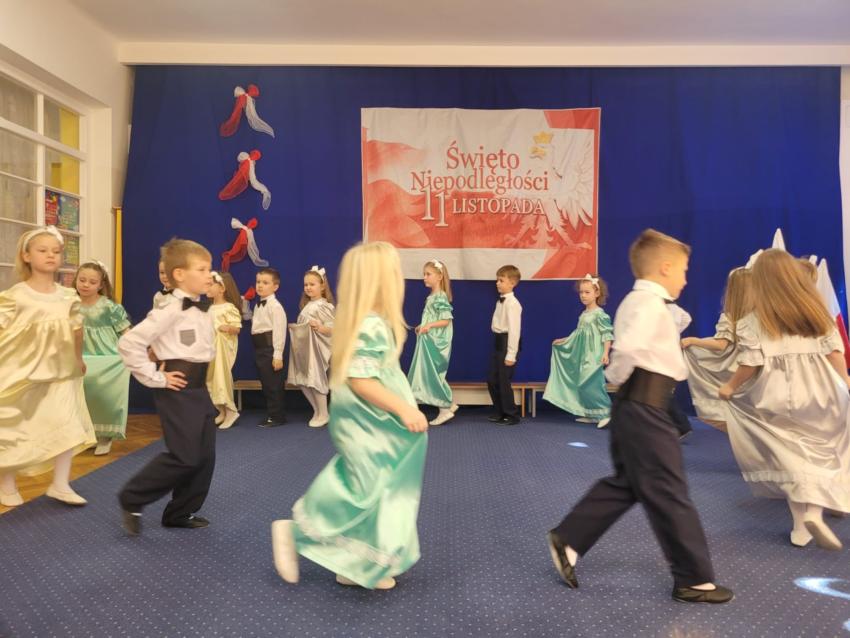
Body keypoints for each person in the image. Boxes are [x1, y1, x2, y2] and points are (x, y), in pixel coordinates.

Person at [546, 229, 733, 604]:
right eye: (683, 270)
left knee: (630, 483)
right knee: (669, 490)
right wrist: (618, 380)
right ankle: (693, 578)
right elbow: (628, 350)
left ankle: (569, 539)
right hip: (645, 407)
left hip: (640, 407)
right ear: (665, 267)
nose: (685, 279)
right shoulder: (646, 304)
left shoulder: (646, 302)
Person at [271, 242, 429, 591]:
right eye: (394, 273)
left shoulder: (369, 320)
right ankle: (294, 531)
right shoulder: (369, 324)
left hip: (376, 421)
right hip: (369, 421)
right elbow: (361, 380)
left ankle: (357, 562)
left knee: (377, 486)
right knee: (364, 487)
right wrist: (403, 407)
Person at [718, 249, 850, 549]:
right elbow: (835, 352)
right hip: (821, 393)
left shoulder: (753, 321)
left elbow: (750, 363)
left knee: (792, 457)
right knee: (826, 449)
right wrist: (843, 381)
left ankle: (801, 526)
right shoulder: (817, 314)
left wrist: (730, 386)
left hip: (776, 395)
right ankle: (815, 511)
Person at [117, 238, 217, 534]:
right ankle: (131, 497)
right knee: (185, 456)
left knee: (204, 457)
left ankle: (180, 512)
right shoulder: (169, 309)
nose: (209, 275)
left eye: (209, 268)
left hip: (198, 388)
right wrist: (157, 377)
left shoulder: (202, 308)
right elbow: (129, 343)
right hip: (176, 389)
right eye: (202, 269)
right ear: (180, 275)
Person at [0, 226, 95, 507]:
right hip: (21, 373)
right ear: (27, 255)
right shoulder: (15, 296)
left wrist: (78, 358)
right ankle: (7, 483)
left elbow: (77, 330)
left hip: (61, 372)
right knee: (14, 426)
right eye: (43, 250)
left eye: (56, 251)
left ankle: (60, 484)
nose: (51, 255)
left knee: (66, 423)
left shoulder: (68, 296)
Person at [682, 267, 753, 428]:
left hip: (736, 365)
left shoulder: (729, 318)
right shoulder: (757, 318)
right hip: (748, 365)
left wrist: (693, 341)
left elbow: (721, 345)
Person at [75, 260, 131, 455]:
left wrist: (133, 350)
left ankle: (106, 436)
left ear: (100, 285)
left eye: (92, 282)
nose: (86, 285)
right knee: (85, 397)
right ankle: (91, 433)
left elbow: (125, 331)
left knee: (106, 397)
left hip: (109, 359)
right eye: (82, 280)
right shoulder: (71, 305)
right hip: (82, 356)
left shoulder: (109, 307)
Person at [543, 274, 613, 425]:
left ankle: (606, 413)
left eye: (587, 292)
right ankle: (591, 413)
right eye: (581, 292)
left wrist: (606, 353)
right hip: (583, 353)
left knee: (590, 383)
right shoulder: (584, 314)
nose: (583, 295)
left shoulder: (600, 314)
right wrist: (565, 340)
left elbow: (607, 335)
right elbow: (578, 333)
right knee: (581, 383)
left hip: (594, 354)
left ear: (597, 293)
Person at [408, 260, 457, 426]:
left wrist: (429, 326)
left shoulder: (440, 296)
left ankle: (444, 409)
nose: (424, 277)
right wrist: (423, 325)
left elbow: (446, 320)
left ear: (439, 276)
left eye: (428, 274)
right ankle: (449, 403)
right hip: (428, 340)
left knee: (432, 374)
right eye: (424, 274)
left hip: (435, 343)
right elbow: (433, 318)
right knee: (433, 373)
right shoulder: (433, 296)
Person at [288, 266, 335, 427]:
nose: (308, 287)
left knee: (315, 379)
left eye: (312, 284)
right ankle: (317, 410)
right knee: (303, 380)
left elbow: (333, 328)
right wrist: (296, 329)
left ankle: (324, 413)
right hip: (304, 350)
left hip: (317, 350)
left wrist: (320, 327)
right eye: (306, 284)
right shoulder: (307, 306)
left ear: (322, 286)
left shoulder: (324, 306)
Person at [252, 267, 287, 427]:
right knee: (266, 383)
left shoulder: (275, 306)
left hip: (270, 349)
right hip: (260, 349)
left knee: (273, 385)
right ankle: (272, 414)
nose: (260, 285)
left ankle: (277, 416)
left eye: (265, 283)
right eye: (258, 282)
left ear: (275, 287)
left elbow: (279, 331)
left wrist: (277, 355)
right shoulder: (258, 305)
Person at [206, 271, 242, 430]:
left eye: (210, 284)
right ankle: (221, 410)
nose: (207, 287)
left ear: (222, 288)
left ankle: (231, 410)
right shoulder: (209, 308)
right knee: (210, 379)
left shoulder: (229, 308)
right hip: (210, 350)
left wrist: (227, 327)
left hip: (222, 350)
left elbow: (237, 328)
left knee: (221, 378)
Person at [488, 265, 522, 426]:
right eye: (497, 280)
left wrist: (511, 354)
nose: (497, 283)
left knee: (503, 381)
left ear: (512, 283)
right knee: (492, 379)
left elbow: (515, 331)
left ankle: (511, 414)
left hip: (507, 343)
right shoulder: (500, 301)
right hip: (498, 342)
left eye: (501, 280)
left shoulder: (513, 304)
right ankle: (500, 411)